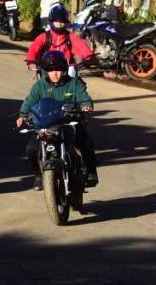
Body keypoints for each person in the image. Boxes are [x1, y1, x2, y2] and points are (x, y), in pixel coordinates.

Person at [16, 50, 98, 189]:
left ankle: (91, 172)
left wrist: (86, 105)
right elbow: (29, 101)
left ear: (64, 70)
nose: (55, 73)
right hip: (46, 125)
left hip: (70, 123)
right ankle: (38, 176)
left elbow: (84, 97)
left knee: (85, 143)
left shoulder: (74, 83)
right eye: (51, 70)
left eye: (59, 70)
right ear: (45, 71)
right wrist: (23, 115)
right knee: (32, 149)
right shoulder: (40, 85)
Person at [25, 4, 94, 74]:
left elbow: (81, 45)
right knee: (40, 85)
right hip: (47, 69)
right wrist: (31, 61)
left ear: (66, 23)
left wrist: (90, 56)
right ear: (51, 21)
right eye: (57, 21)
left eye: (62, 21)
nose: (59, 24)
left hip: (66, 70)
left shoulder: (70, 36)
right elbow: (34, 48)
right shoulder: (44, 36)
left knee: (78, 84)